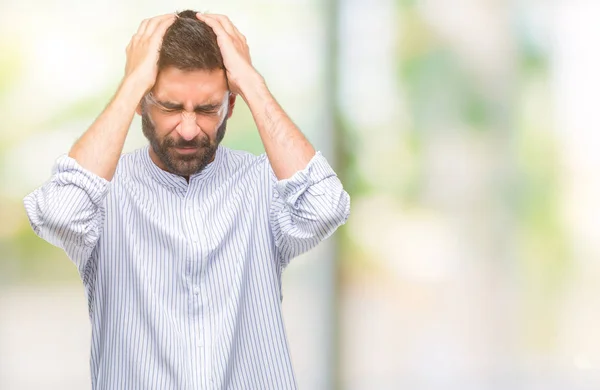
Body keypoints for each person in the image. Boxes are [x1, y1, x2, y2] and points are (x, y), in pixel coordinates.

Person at [23, 9, 349, 390]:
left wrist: (250, 82)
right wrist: (130, 85)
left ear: (231, 103)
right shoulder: (104, 191)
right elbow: (60, 214)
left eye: (209, 109)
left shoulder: (263, 183)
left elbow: (325, 207)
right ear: (143, 101)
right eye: (171, 107)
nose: (190, 129)